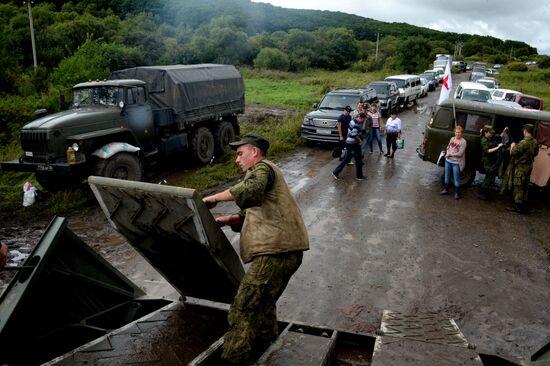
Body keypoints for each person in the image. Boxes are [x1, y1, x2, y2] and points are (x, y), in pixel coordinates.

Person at [202, 134, 309, 364]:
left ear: (255, 153)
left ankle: (233, 358)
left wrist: (215, 198)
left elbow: (250, 190)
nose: (236, 160)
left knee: (243, 308)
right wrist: (225, 220)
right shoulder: (267, 176)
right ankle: (267, 345)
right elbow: (248, 215)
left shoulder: (261, 169)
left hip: (275, 252)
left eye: (240, 154)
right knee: (262, 305)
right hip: (287, 252)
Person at [502, 124, 539, 213]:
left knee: (518, 185)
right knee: (525, 185)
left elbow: (513, 152)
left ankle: (517, 206)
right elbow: (535, 153)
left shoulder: (524, 142)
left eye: (523, 130)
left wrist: (512, 145)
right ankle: (523, 203)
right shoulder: (534, 141)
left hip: (521, 167)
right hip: (528, 166)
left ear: (525, 131)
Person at [332, 113, 366, 181]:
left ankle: (335, 172)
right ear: (362, 118)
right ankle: (359, 176)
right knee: (358, 159)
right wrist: (359, 140)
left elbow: (349, 132)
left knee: (347, 159)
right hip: (354, 144)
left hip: (349, 143)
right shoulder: (357, 124)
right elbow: (353, 134)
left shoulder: (352, 121)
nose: (364, 121)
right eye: (364, 119)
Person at [440, 125, 467, 199]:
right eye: (456, 132)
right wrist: (447, 152)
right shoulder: (452, 138)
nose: (457, 134)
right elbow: (448, 147)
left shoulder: (463, 141)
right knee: (447, 176)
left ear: (461, 133)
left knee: (456, 178)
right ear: (454, 132)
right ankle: (446, 190)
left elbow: (460, 153)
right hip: (448, 161)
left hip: (456, 163)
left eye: (459, 132)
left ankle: (456, 193)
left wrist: (450, 154)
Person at [478, 125, 504, 200]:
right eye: (490, 133)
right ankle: (482, 192)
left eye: (492, 133)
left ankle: (485, 191)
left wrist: (504, 131)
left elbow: (499, 136)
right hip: (487, 161)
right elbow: (487, 151)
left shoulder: (490, 137)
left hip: (491, 161)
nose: (492, 134)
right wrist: (498, 147)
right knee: (489, 177)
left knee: (491, 177)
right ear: (485, 132)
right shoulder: (484, 140)